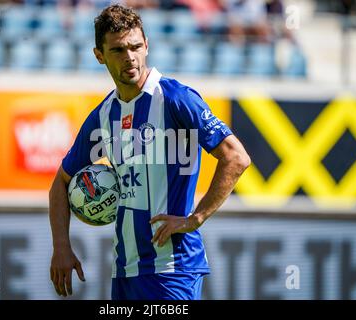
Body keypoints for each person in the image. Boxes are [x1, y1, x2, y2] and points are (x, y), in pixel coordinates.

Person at [49, 4, 250, 300]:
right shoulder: (104, 116)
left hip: (173, 268)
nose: (130, 57)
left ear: (147, 46)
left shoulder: (176, 98)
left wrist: (195, 219)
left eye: (136, 47)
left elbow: (236, 157)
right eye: (118, 50)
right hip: (125, 270)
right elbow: (61, 182)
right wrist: (61, 247)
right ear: (99, 55)